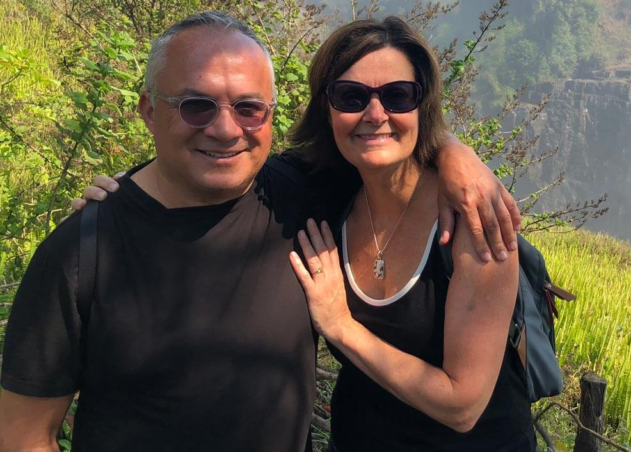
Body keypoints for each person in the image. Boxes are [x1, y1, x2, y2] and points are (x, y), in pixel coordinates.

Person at [0, 12, 519, 452]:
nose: (226, 129)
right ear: (149, 111)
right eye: (195, 105)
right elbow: (23, 435)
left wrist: (456, 155)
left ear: (270, 116)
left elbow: (391, 137)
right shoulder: (83, 249)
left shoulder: (302, 197)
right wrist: (115, 200)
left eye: (248, 108)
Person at [289, 17, 535, 451]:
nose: (376, 113)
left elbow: (462, 406)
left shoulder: (473, 219)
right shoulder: (328, 196)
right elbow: (223, 171)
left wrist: (340, 325)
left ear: (423, 106)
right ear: (326, 109)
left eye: (398, 95)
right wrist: (132, 188)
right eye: (351, 96)